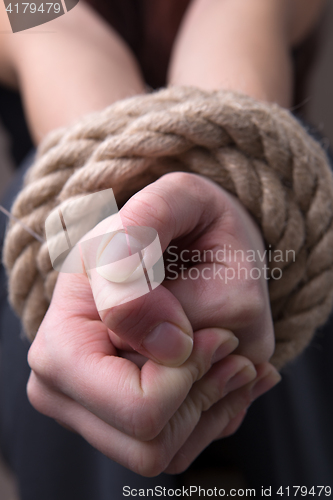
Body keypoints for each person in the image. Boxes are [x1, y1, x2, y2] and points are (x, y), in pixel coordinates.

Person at [0, 0, 332, 498]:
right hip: (72, 211)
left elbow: (241, 15)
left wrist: (221, 206)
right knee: (68, 270)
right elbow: (55, 36)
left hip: (272, 226)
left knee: (296, 216)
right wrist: (106, 237)